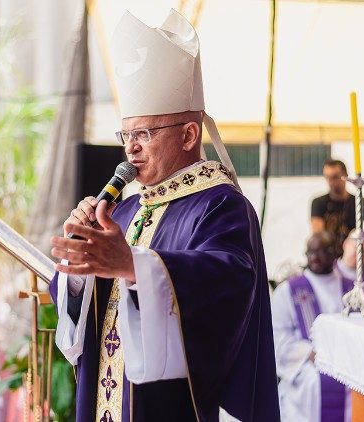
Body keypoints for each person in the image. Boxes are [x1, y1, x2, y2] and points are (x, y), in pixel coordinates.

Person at [49, 9, 279, 422]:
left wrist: (133, 265)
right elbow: (81, 320)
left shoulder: (222, 206)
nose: (130, 149)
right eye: (127, 135)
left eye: (144, 135)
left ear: (189, 135)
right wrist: (79, 268)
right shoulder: (124, 208)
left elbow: (226, 285)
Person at [272, 231, 364, 421]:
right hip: (307, 372)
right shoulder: (288, 291)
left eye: (320, 251)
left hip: (350, 368)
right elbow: (276, 337)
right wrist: (310, 353)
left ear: (335, 252)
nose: (314, 257)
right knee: (312, 383)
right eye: (310, 252)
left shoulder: (356, 290)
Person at [311, 159, 364, 261]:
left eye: (335, 177)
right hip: (329, 258)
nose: (331, 182)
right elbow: (318, 235)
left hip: (354, 257)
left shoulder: (360, 202)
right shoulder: (319, 203)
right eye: (327, 177)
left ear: (345, 175)